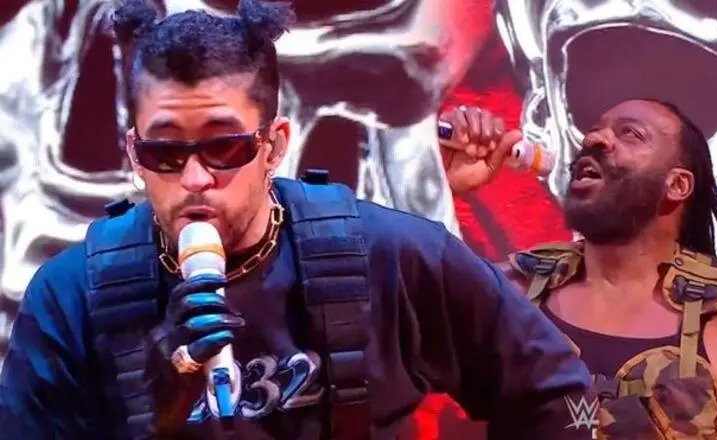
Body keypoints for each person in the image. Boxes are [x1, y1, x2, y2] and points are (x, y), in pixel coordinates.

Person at [0, 1, 595, 439]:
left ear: (274, 145)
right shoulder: (71, 295)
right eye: (165, 152)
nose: (196, 178)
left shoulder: (388, 254)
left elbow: (558, 389)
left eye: (224, 146)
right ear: (135, 154)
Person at [440, 101, 717, 438]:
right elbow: (407, 326)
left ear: (677, 185)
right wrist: (439, 181)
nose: (593, 139)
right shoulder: (507, 296)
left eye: (630, 133)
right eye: (594, 130)